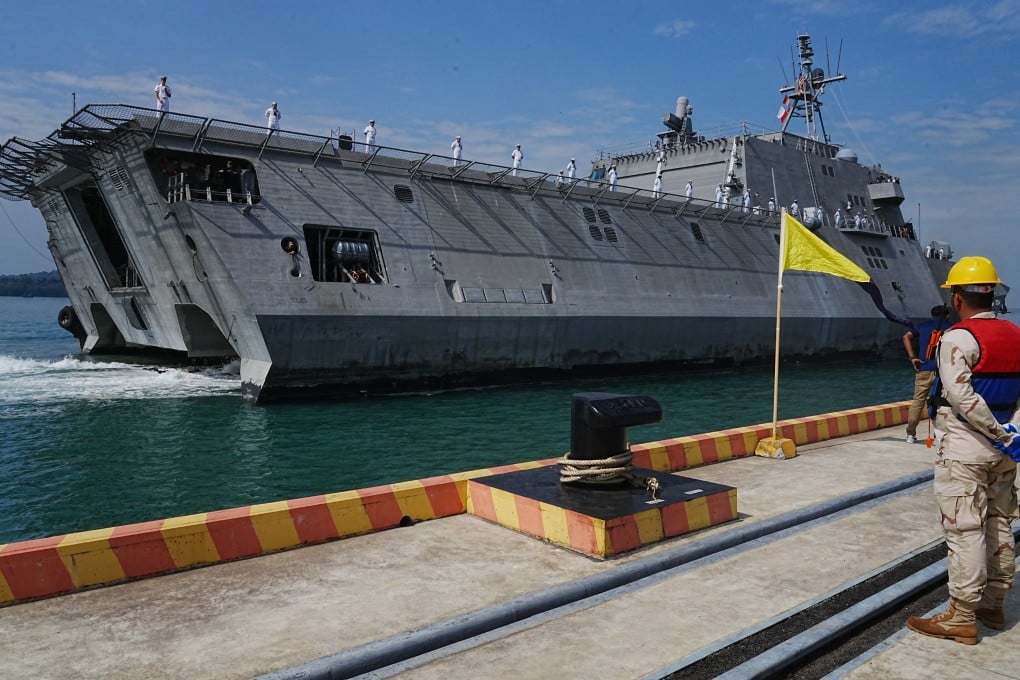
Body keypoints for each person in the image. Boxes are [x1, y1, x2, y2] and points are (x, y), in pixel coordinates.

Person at [906, 256, 1020, 646]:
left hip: (966, 449)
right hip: (1005, 451)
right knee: (1000, 522)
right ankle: (994, 604)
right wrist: (1011, 433)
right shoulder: (1015, 334)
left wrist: (997, 433)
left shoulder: (957, 338)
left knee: (965, 529)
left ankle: (962, 615)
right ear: (993, 294)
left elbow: (961, 396)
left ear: (957, 297)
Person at [902, 305, 951, 444]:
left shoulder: (922, 326)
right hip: (943, 371)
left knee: (918, 401)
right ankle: (938, 434)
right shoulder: (951, 327)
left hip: (923, 368)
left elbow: (906, 337)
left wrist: (913, 357)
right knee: (943, 402)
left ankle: (910, 434)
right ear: (947, 316)